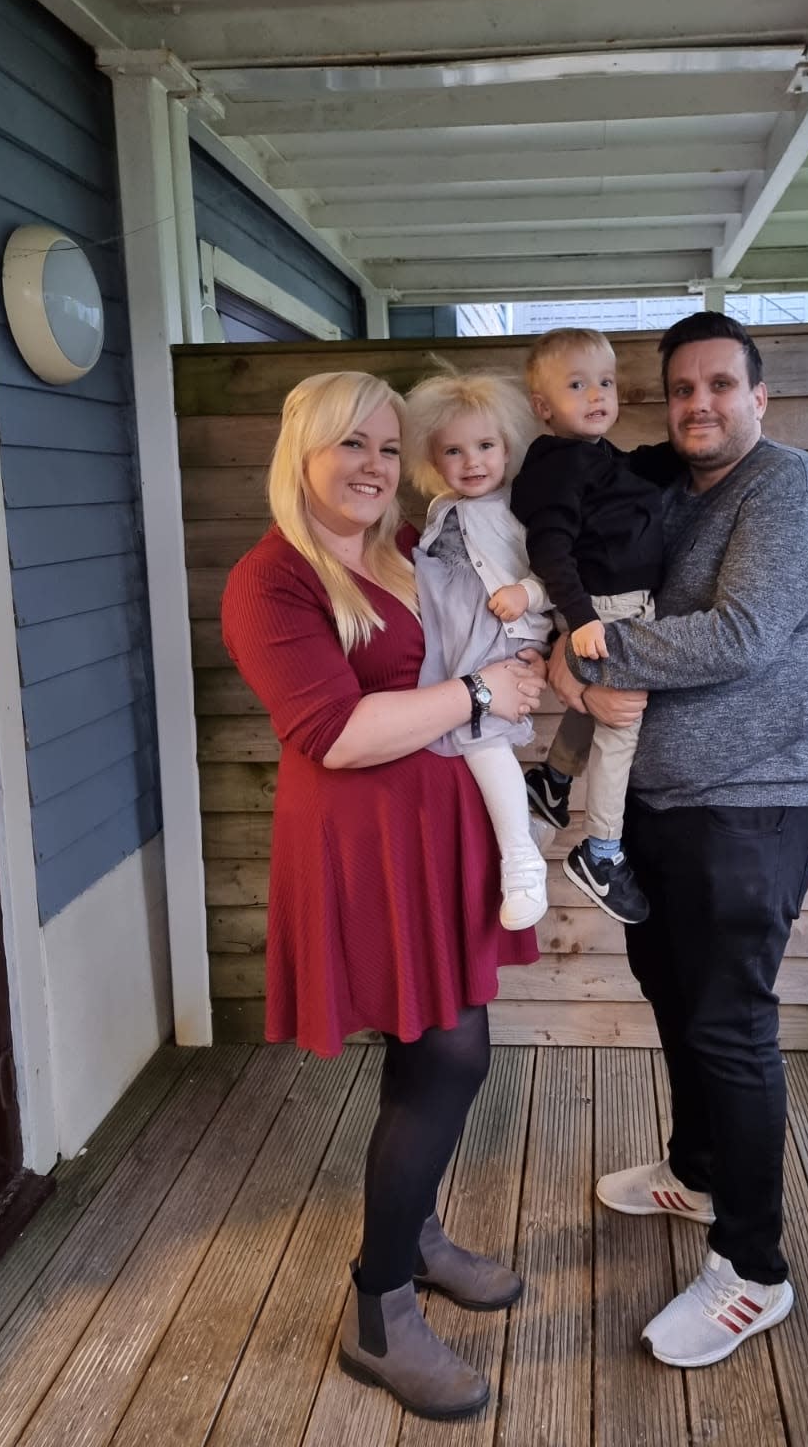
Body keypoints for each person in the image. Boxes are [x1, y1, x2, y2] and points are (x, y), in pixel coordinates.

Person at [220, 371, 545, 1421]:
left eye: (381, 444)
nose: (369, 464)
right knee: (450, 1053)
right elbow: (336, 732)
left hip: (438, 833)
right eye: (346, 445)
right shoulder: (273, 583)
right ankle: (379, 1306)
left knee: (437, 1048)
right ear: (301, 454)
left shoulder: (411, 549)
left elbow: (488, 632)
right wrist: (483, 693)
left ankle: (416, 1233)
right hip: (362, 846)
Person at [546, 312, 808, 1369]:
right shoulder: (671, 493)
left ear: (758, 398)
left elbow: (739, 635)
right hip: (661, 808)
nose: (700, 404)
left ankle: (754, 1268)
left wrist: (584, 654)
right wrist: (569, 655)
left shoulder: (791, 491)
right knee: (677, 999)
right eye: (682, 388)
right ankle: (699, 1171)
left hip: (754, 801)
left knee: (731, 1025)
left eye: (721, 385)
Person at [511, 328, 665, 926]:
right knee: (620, 729)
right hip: (605, 611)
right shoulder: (558, 467)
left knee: (591, 711)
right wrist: (580, 621)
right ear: (544, 408)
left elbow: (629, 471)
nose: (597, 394)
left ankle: (552, 781)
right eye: (577, 385)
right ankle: (601, 852)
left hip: (619, 609)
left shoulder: (595, 457)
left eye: (605, 382)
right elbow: (550, 549)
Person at [405, 369, 553, 930]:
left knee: (483, 743)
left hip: (500, 638)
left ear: (508, 446)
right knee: (456, 745)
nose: (473, 462)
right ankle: (519, 832)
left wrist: (529, 593)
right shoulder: (441, 509)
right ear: (433, 459)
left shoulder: (521, 506)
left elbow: (560, 573)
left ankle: (522, 865)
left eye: (486, 446)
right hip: (455, 646)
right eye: (454, 451)